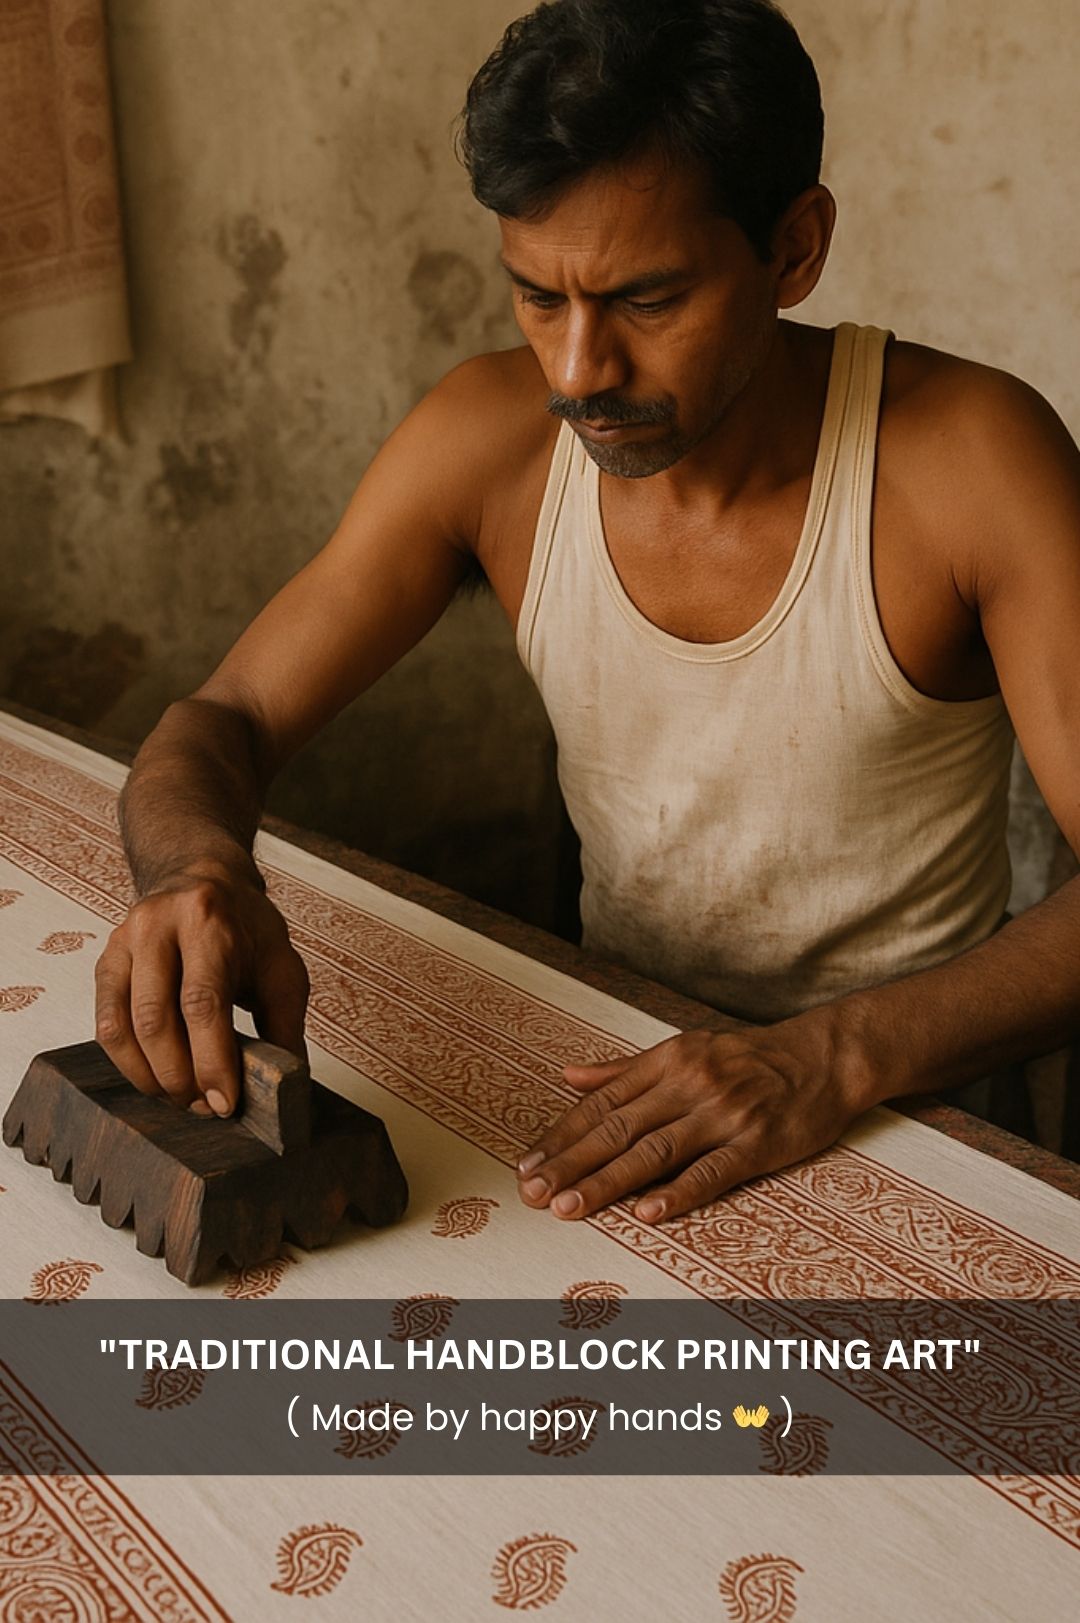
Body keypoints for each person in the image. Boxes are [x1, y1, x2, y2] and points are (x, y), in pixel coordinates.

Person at [95, 0, 1080, 1226]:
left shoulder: (970, 463)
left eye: (647, 302)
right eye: (537, 299)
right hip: (607, 1055)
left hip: (916, 1095)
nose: (575, 374)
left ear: (795, 249)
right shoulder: (486, 441)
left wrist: (830, 1059)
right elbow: (227, 715)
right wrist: (192, 870)